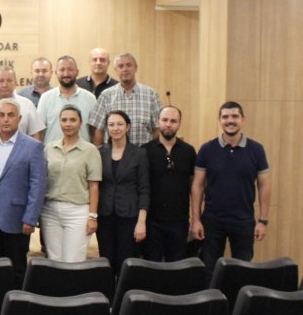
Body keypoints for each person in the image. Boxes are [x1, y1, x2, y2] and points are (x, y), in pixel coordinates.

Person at [191, 101, 270, 283]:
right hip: (212, 221)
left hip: (244, 222)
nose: (230, 120)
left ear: (243, 120)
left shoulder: (256, 150)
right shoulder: (207, 149)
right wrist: (196, 220)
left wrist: (263, 221)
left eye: (235, 116)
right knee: (210, 273)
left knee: (242, 273)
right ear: (219, 120)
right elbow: (198, 185)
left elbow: (264, 185)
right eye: (225, 117)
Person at [0, 98, 46, 286]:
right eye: (2, 115)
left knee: (16, 269)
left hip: (17, 219)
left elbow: (38, 185)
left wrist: (30, 218)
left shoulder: (33, 146)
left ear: (19, 118)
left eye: (11, 115)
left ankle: (16, 301)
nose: (6, 119)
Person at [40, 105, 101, 262]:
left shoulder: (90, 150)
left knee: (74, 260)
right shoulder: (49, 148)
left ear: (80, 123)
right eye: (64, 120)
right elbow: (42, 180)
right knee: (54, 259)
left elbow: (94, 186)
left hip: (77, 211)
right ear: (59, 122)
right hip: (50, 211)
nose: (68, 124)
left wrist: (92, 216)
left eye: (73, 120)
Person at [96, 110, 149, 276]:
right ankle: (107, 293)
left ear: (128, 127)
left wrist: (142, 221)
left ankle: (124, 293)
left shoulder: (139, 153)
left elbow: (144, 189)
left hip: (129, 216)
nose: (115, 128)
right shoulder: (99, 152)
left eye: (120, 124)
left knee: (126, 263)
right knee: (106, 262)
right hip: (105, 215)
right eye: (111, 125)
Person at [142, 106, 196, 262]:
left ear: (179, 124)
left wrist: (195, 218)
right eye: (164, 120)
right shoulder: (145, 151)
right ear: (158, 121)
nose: (168, 124)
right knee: (151, 265)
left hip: (179, 220)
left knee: (177, 266)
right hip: (151, 221)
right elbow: (141, 188)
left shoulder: (189, 151)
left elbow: (194, 187)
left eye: (173, 121)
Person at [89, 52, 162, 146]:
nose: (125, 69)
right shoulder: (106, 96)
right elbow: (99, 130)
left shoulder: (151, 94)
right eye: (120, 66)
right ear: (116, 70)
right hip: (113, 153)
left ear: (136, 68)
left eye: (128, 65)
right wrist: (99, 152)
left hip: (144, 153)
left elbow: (157, 128)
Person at [36, 55, 97, 144]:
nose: (66, 74)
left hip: (82, 152)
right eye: (62, 70)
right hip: (52, 152)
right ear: (56, 73)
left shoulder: (90, 98)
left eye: (70, 69)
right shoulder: (46, 98)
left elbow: (95, 132)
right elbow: (38, 132)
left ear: (77, 72)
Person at [0, 66, 45, 139]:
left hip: (21, 146)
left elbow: (36, 134)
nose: (5, 85)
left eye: (9, 81)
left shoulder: (27, 104)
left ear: (15, 83)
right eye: (1, 81)